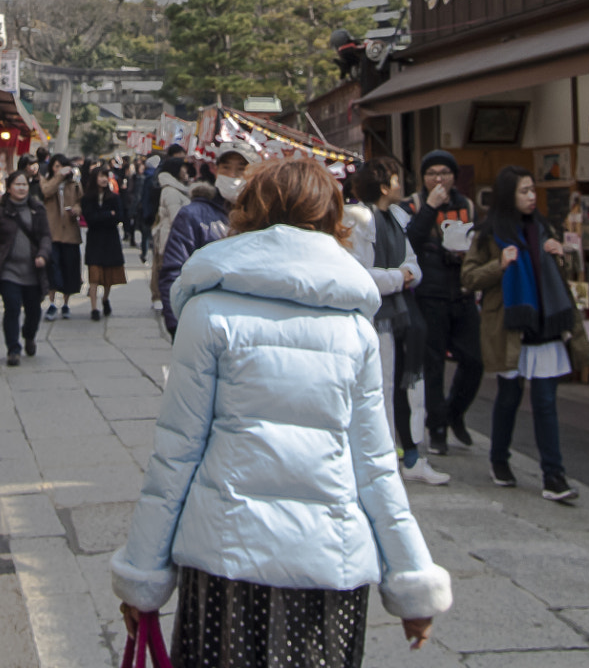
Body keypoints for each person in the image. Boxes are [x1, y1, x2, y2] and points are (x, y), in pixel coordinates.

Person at [111, 157, 453, 665]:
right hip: (329, 569)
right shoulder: (353, 326)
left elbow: (176, 454)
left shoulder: (208, 312)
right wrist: (411, 583)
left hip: (226, 561)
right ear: (330, 219)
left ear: (247, 213)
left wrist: (143, 577)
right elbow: (376, 465)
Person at [461, 165, 589, 502]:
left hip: (545, 324)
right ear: (508, 195)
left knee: (546, 401)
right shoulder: (489, 233)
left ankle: (553, 476)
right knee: (509, 397)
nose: (532, 197)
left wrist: (560, 256)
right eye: (524, 191)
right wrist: (499, 265)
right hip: (509, 326)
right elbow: (470, 277)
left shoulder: (544, 228)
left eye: (533, 190)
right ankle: (499, 460)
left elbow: (553, 276)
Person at [345, 157, 446, 486]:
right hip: (377, 317)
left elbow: (412, 262)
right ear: (384, 185)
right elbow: (356, 273)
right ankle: (382, 458)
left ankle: (412, 454)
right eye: (396, 179)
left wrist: (408, 275)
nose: (402, 184)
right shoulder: (358, 218)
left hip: (403, 315)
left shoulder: (398, 216)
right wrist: (396, 277)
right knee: (381, 388)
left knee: (408, 385)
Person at [407, 149, 483, 453]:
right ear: (424, 178)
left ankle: (455, 412)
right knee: (433, 364)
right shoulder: (412, 204)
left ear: (454, 176)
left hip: (462, 291)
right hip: (430, 294)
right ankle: (436, 426)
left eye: (444, 173)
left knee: (475, 360)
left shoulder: (466, 205)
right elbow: (410, 241)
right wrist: (429, 208)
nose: (438, 179)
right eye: (432, 173)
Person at [156, 144, 251, 336]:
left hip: (247, 328)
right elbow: (173, 272)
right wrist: (177, 326)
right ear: (215, 170)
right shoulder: (192, 215)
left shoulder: (262, 218)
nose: (232, 175)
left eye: (241, 169)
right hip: (204, 327)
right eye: (226, 168)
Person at [0, 169, 54, 366]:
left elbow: (45, 236)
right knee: (11, 308)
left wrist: (43, 255)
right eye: (17, 185)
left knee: (33, 310)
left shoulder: (37, 209)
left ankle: (29, 336)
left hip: (33, 271)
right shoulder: (0, 213)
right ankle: (13, 348)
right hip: (9, 270)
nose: (21, 188)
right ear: (9, 188)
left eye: (24, 185)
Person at [81, 161, 129, 321]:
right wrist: (109, 215)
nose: (103, 179)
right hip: (95, 239)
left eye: (105, 176)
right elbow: (90, 218)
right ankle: (94, 308)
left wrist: (106, 217)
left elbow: (119, 217)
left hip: (110, 240)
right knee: (94, 276)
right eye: (101, 176)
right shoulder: (87, 198)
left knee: (109, 276)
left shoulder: (114, 197)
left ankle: (105, 299)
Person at [149, 145, 190, 316]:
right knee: (164, 269)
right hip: (169, 237)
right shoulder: (172, 191)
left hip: (170, 236)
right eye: (183, 167)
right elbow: (176, 218)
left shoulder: (176, 188)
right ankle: (161, 299)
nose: (186, 171)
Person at [42, 155, 84, 319]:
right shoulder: (48, 181)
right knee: (53, 268)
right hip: (52, 232)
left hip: (70, 232)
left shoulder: (74, 183)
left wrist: (77, 209)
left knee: (69, 268)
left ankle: (66, 303)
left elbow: (81, 200)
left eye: (62, 166)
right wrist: (59, 177)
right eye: (56, 166)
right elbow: (46, 191)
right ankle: (52, 303)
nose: (58, 169)